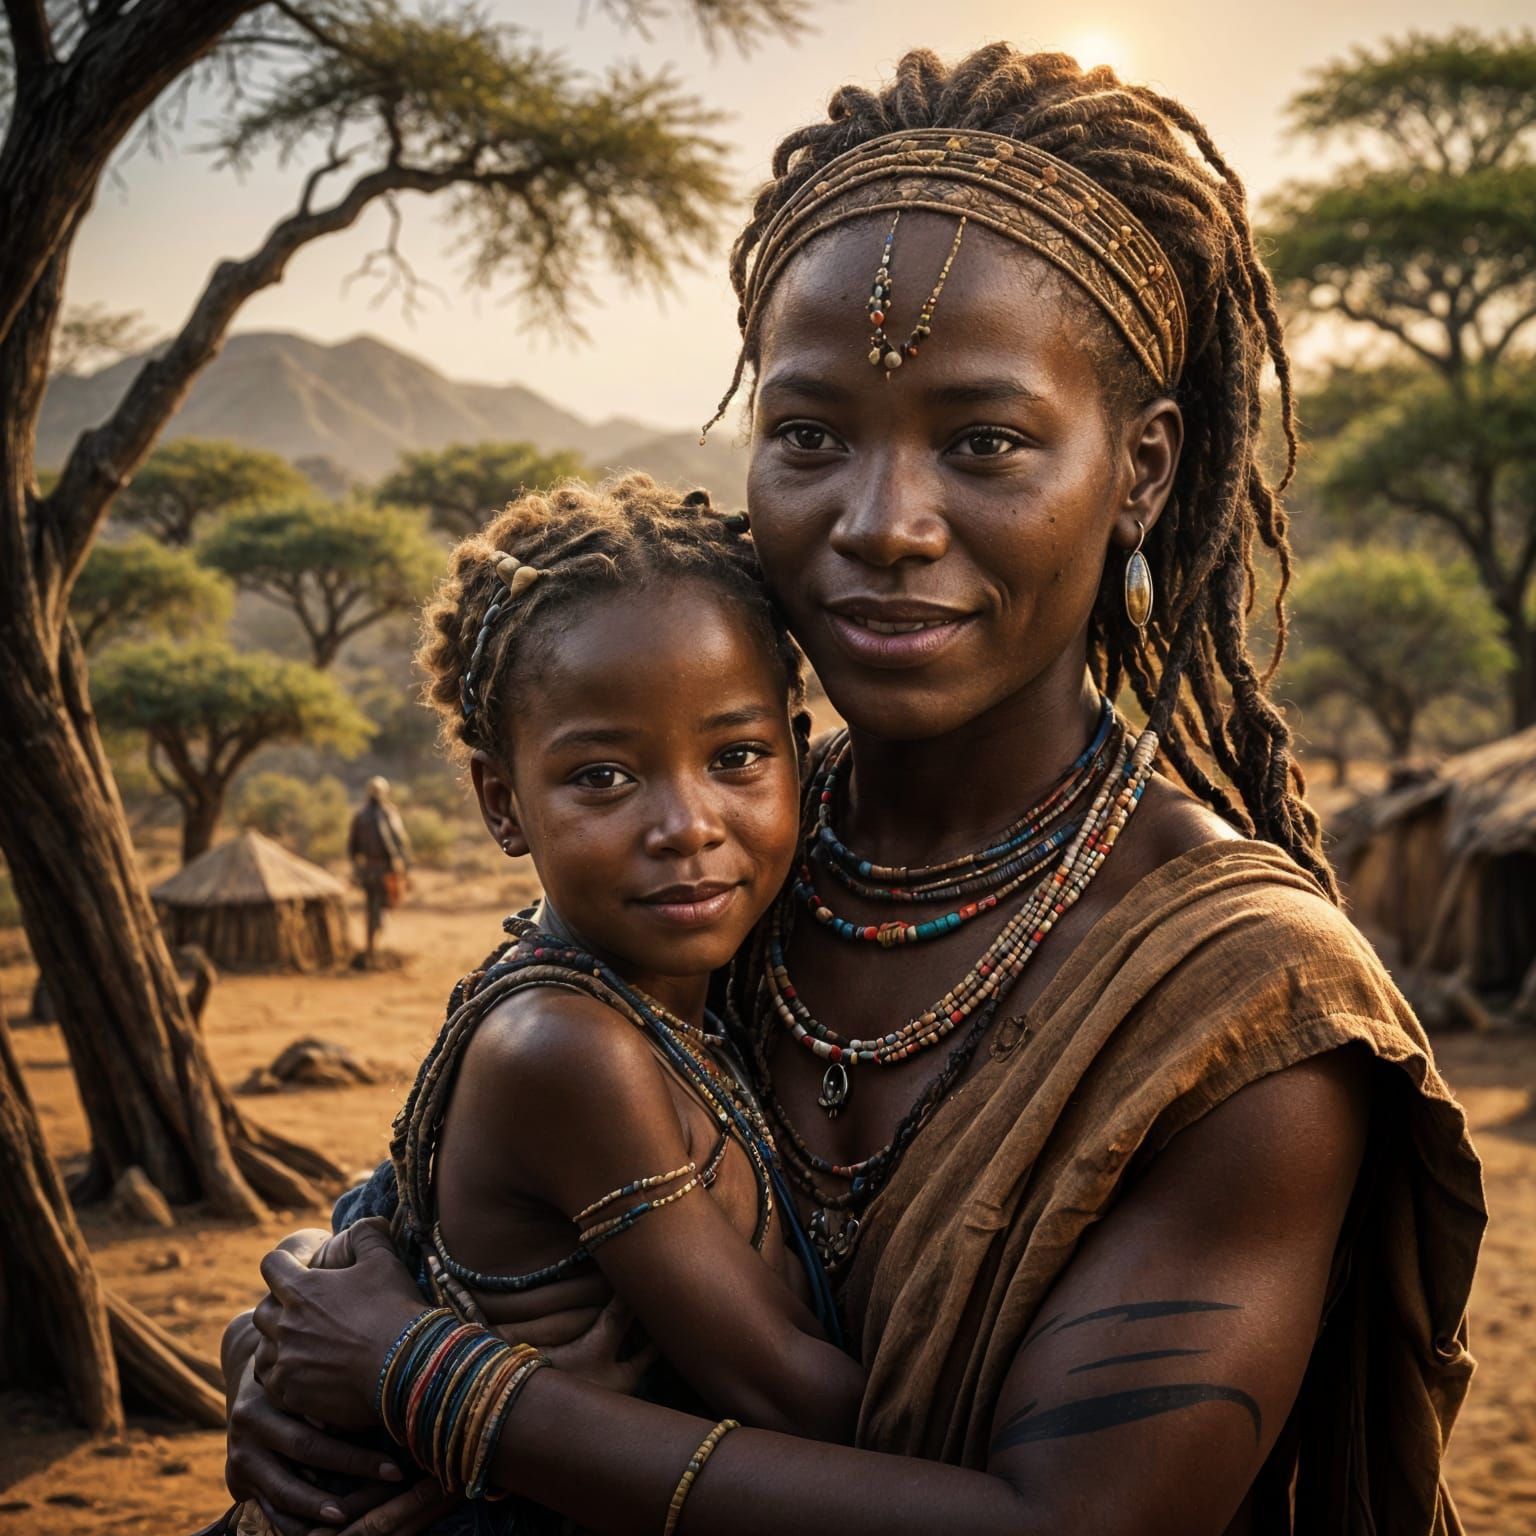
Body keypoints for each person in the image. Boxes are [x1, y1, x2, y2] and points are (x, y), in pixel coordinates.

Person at [231, 45, 1485, 1536]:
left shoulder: (1241, 1013)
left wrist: (436, 1390)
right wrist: (301, 1334)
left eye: (986, 442)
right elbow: (463, 1191)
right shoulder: (721, 850)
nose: (883, 523)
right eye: (811, 435)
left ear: (1140, 471)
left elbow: (1068, 1525)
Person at [213, 479, 861, 1535]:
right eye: (603, 777)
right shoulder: (566, 1049)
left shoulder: (672, 992)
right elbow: (789, 1396)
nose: (687, 825)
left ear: (797, 749)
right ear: (501, 802)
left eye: (736, 757)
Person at [349, 776, 411, 960]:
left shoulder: (361, 816)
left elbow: (352, 848)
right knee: (379, 906)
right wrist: (402, 865)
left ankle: (371, 947)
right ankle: (372, 948)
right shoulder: (387, 813)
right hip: (383, 870)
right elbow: (398, 841)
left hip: (369, 869)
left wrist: (358, 869)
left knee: (373, 906)